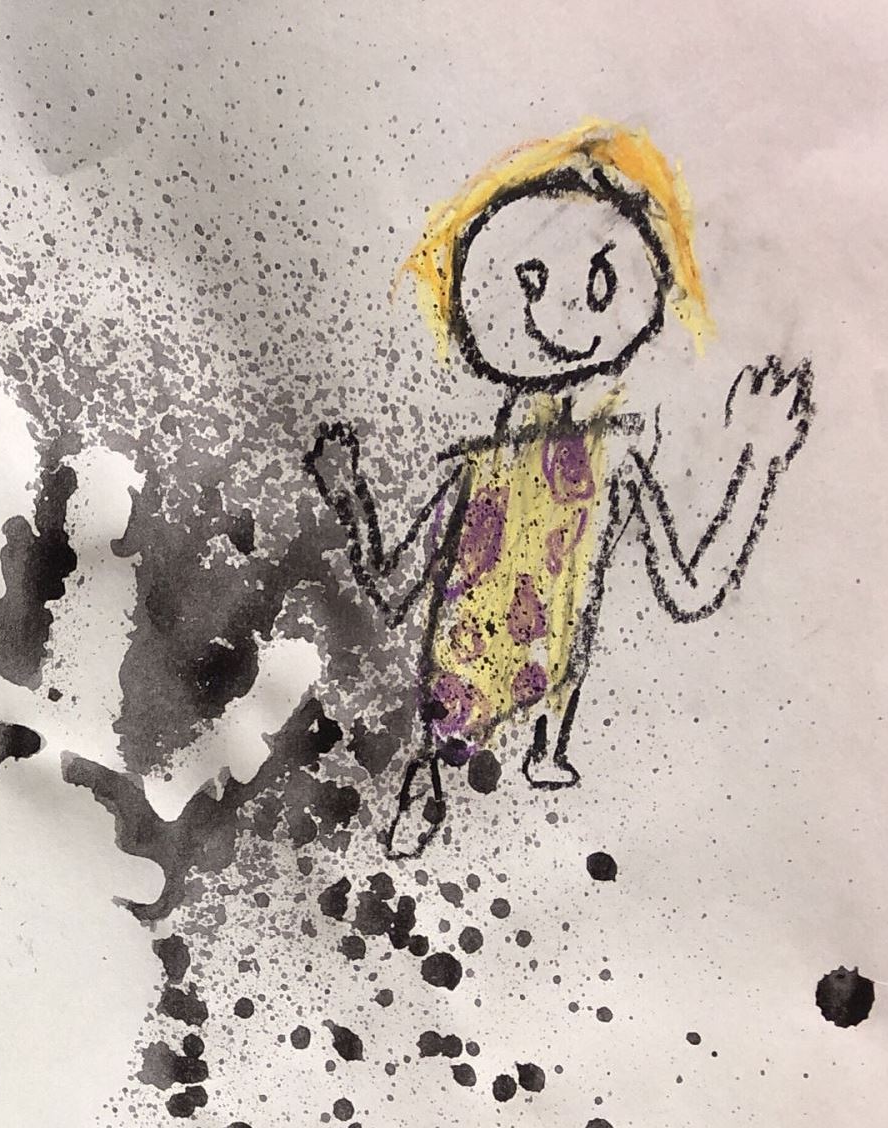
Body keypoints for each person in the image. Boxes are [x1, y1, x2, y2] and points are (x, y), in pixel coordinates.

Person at [309, 121, 812, 858]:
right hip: (449, 737)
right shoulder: (476, 469)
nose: (560, 314)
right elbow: (392, 591)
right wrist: (350, 496)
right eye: (530, 282)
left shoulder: (612, 463)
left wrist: (758, 460)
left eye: (599, 280)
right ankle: (434, 786)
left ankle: (503, 767)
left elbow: (693, 586)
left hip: (547, 764)